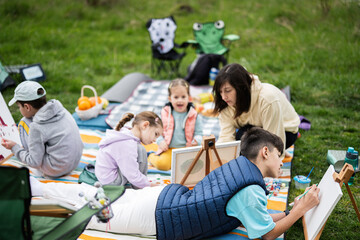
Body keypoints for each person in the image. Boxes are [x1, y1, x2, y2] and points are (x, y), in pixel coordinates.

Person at [31, 128, 320, 239]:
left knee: (93, 195)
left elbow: (254, 217)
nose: (282, 162)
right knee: (87, 215)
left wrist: (289, 211)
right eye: (280, 155)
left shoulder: (239, 166)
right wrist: (298, 212)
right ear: (265, 152)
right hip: (158, 215)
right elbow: (266, 235)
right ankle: (27, 200)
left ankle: (37, 187)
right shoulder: (250, 190)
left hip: (161, 198)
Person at [213, 63, 300, 158]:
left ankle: (279, 153)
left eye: (228, 90)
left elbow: (275, 137)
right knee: (241, 142)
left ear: (241, 87)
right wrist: (223, 159)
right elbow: (226, 138)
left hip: (284, 131)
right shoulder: (225, 103)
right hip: (257, 128)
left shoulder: (267, 99)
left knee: (251, 152)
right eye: (220, 92)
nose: (223, 97)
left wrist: (276, 159)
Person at [1, 81, 83, 178]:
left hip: (56, 169)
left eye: (19, 106)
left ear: (27, 107)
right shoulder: (60, 110)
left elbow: (34, 162)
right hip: (74, 162)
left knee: (23, 123)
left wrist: (14, 147)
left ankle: (27, 154)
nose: (19, 109)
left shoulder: (36, 127)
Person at [95, 111, 163, 189]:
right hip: (111, 182)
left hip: (105, 177)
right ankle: (140, 186)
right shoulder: (127, 144)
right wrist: (149, 185)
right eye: (156, 134)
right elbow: (132, 174)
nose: (155, 140)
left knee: (139, 149)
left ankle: (140, 182)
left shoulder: (125, 134)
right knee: (141, 150)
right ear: (145, 125)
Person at [148, 78, 203, 171]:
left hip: (186, 149)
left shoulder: (194, 115)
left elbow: (199, 134)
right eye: (176, 97)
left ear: (189, 98)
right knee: (163, 165)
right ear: (170, 98)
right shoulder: (164, 113)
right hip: (169, 148)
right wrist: (161, 141)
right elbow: (157, 133)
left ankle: (177, 163)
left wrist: (196, 141)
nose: (180, 100)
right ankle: (150, 156)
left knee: (194, 167)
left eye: (183, 97)